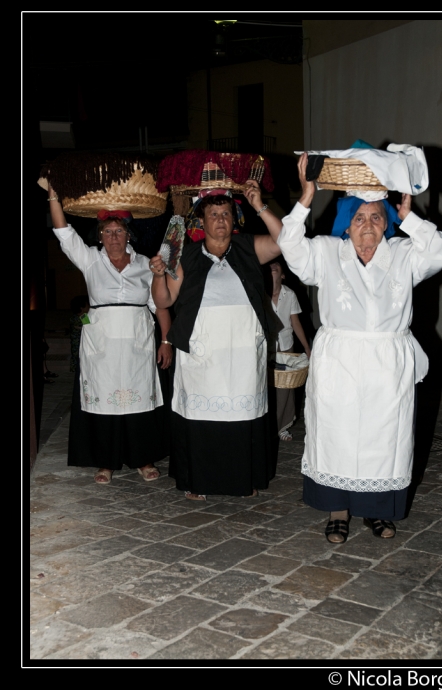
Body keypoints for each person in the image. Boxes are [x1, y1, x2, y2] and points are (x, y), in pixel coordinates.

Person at [277, 153, 442, 542]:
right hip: (341, 360)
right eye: (359, 218)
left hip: (387, 363)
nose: (368, 226)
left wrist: (409, 217)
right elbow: (289, 246)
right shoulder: (325, 253)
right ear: (347, 224)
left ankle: (376, 510)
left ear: (386, 223)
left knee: (384, 437)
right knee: (338, 435)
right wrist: (306, 198)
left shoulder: (405, 255)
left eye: (376, 218)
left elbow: (441, 252)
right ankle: (338, 510)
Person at [149, 181, 283, 500]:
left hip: (243, 351)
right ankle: (199, 482)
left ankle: (243, 478)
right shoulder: (186, 255)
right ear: (202, 221)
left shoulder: (250, 247)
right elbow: (164, 300)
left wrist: (259, 205)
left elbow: (286, 241)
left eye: (225, 213)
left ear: (234, 219)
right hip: (202, 350)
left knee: (242, 415)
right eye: (213, 214)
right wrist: (157, 272)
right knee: (201, 417)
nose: (220, 219)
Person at [47, 184, 172, 484]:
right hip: (100, 345)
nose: (113, 237)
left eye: (118, 231)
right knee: (103, 401)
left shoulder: (146, 264)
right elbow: (63, 232)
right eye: (107, 232)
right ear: (99, 236)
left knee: (139, 401)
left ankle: (143, 459)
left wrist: (166, 340)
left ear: (129, 234)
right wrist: (54, 194)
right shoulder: (90, 259)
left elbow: (160, 306)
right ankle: (106, 462)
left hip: (138, 344)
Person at [269, 256, 311, 441]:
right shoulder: (260, 293)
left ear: (283, 275)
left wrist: (307, 348)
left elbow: (296, 322)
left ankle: (282, 427)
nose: (272, 266)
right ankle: (268, 426)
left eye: (276, 265)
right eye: (269, 265)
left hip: (286, 346)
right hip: (268, 347)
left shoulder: (290, 294)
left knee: (286, 389)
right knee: (269, 388)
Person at [68, 295, 90, 372]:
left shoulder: (74, 317)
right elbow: (88, 328)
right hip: (80, 343)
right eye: (87, 305)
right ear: (81, 308)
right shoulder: (83, 316)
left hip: (76, 343)